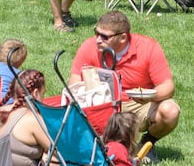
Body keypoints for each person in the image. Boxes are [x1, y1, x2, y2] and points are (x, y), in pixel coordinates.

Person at [70, 10, 180, 145]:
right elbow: (74, 85)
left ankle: (147, 143)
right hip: (102, 103)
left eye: (104, 37)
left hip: (137, 104)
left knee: (170, 111)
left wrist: (149, 95)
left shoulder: (148, 48)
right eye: (96, 33)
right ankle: (95, 145)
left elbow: (168, 87)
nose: (98, 40)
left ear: (122, 38)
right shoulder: (89, 46)